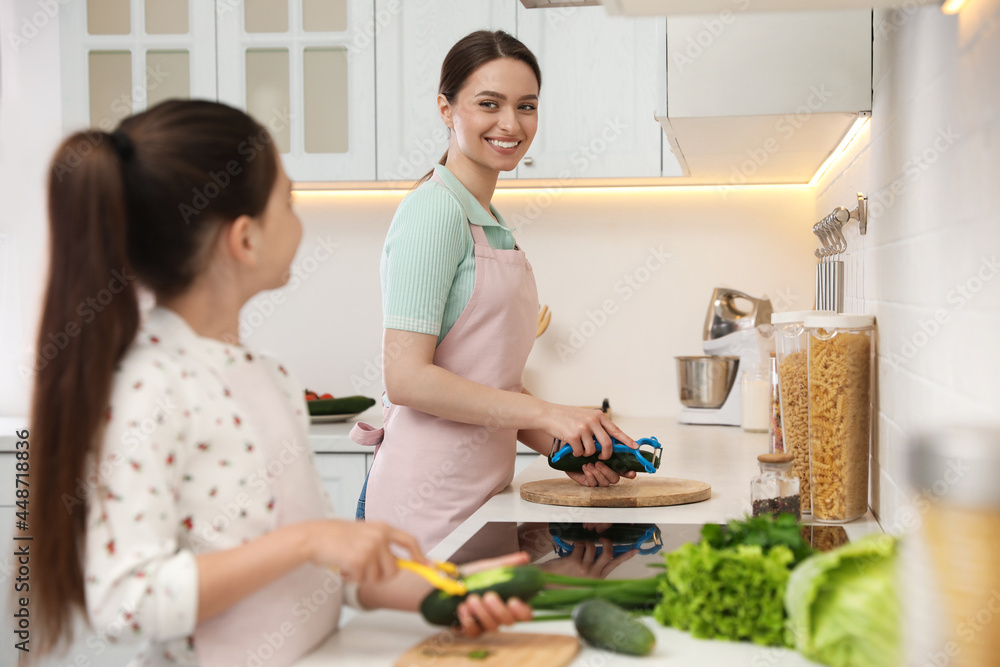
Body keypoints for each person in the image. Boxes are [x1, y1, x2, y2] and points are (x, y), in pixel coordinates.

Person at [29, 100, 531, 667]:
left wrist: (449, 588)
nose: (298, 217)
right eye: (287, 201)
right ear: (245, 239)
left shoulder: (265, 376)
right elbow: (126, 602)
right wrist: (308, 541)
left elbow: (325, 576)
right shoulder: (147, 389)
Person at [353, 30, 638, 551]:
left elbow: (490, 382)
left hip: (479, 496)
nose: (511, 123)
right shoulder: (433, 211)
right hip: (424, 507)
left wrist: (563, 445)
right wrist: (548, 413)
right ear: (446, 109)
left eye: (525, 106)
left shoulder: (489, 222)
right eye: (489, 103)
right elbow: (407, 378)